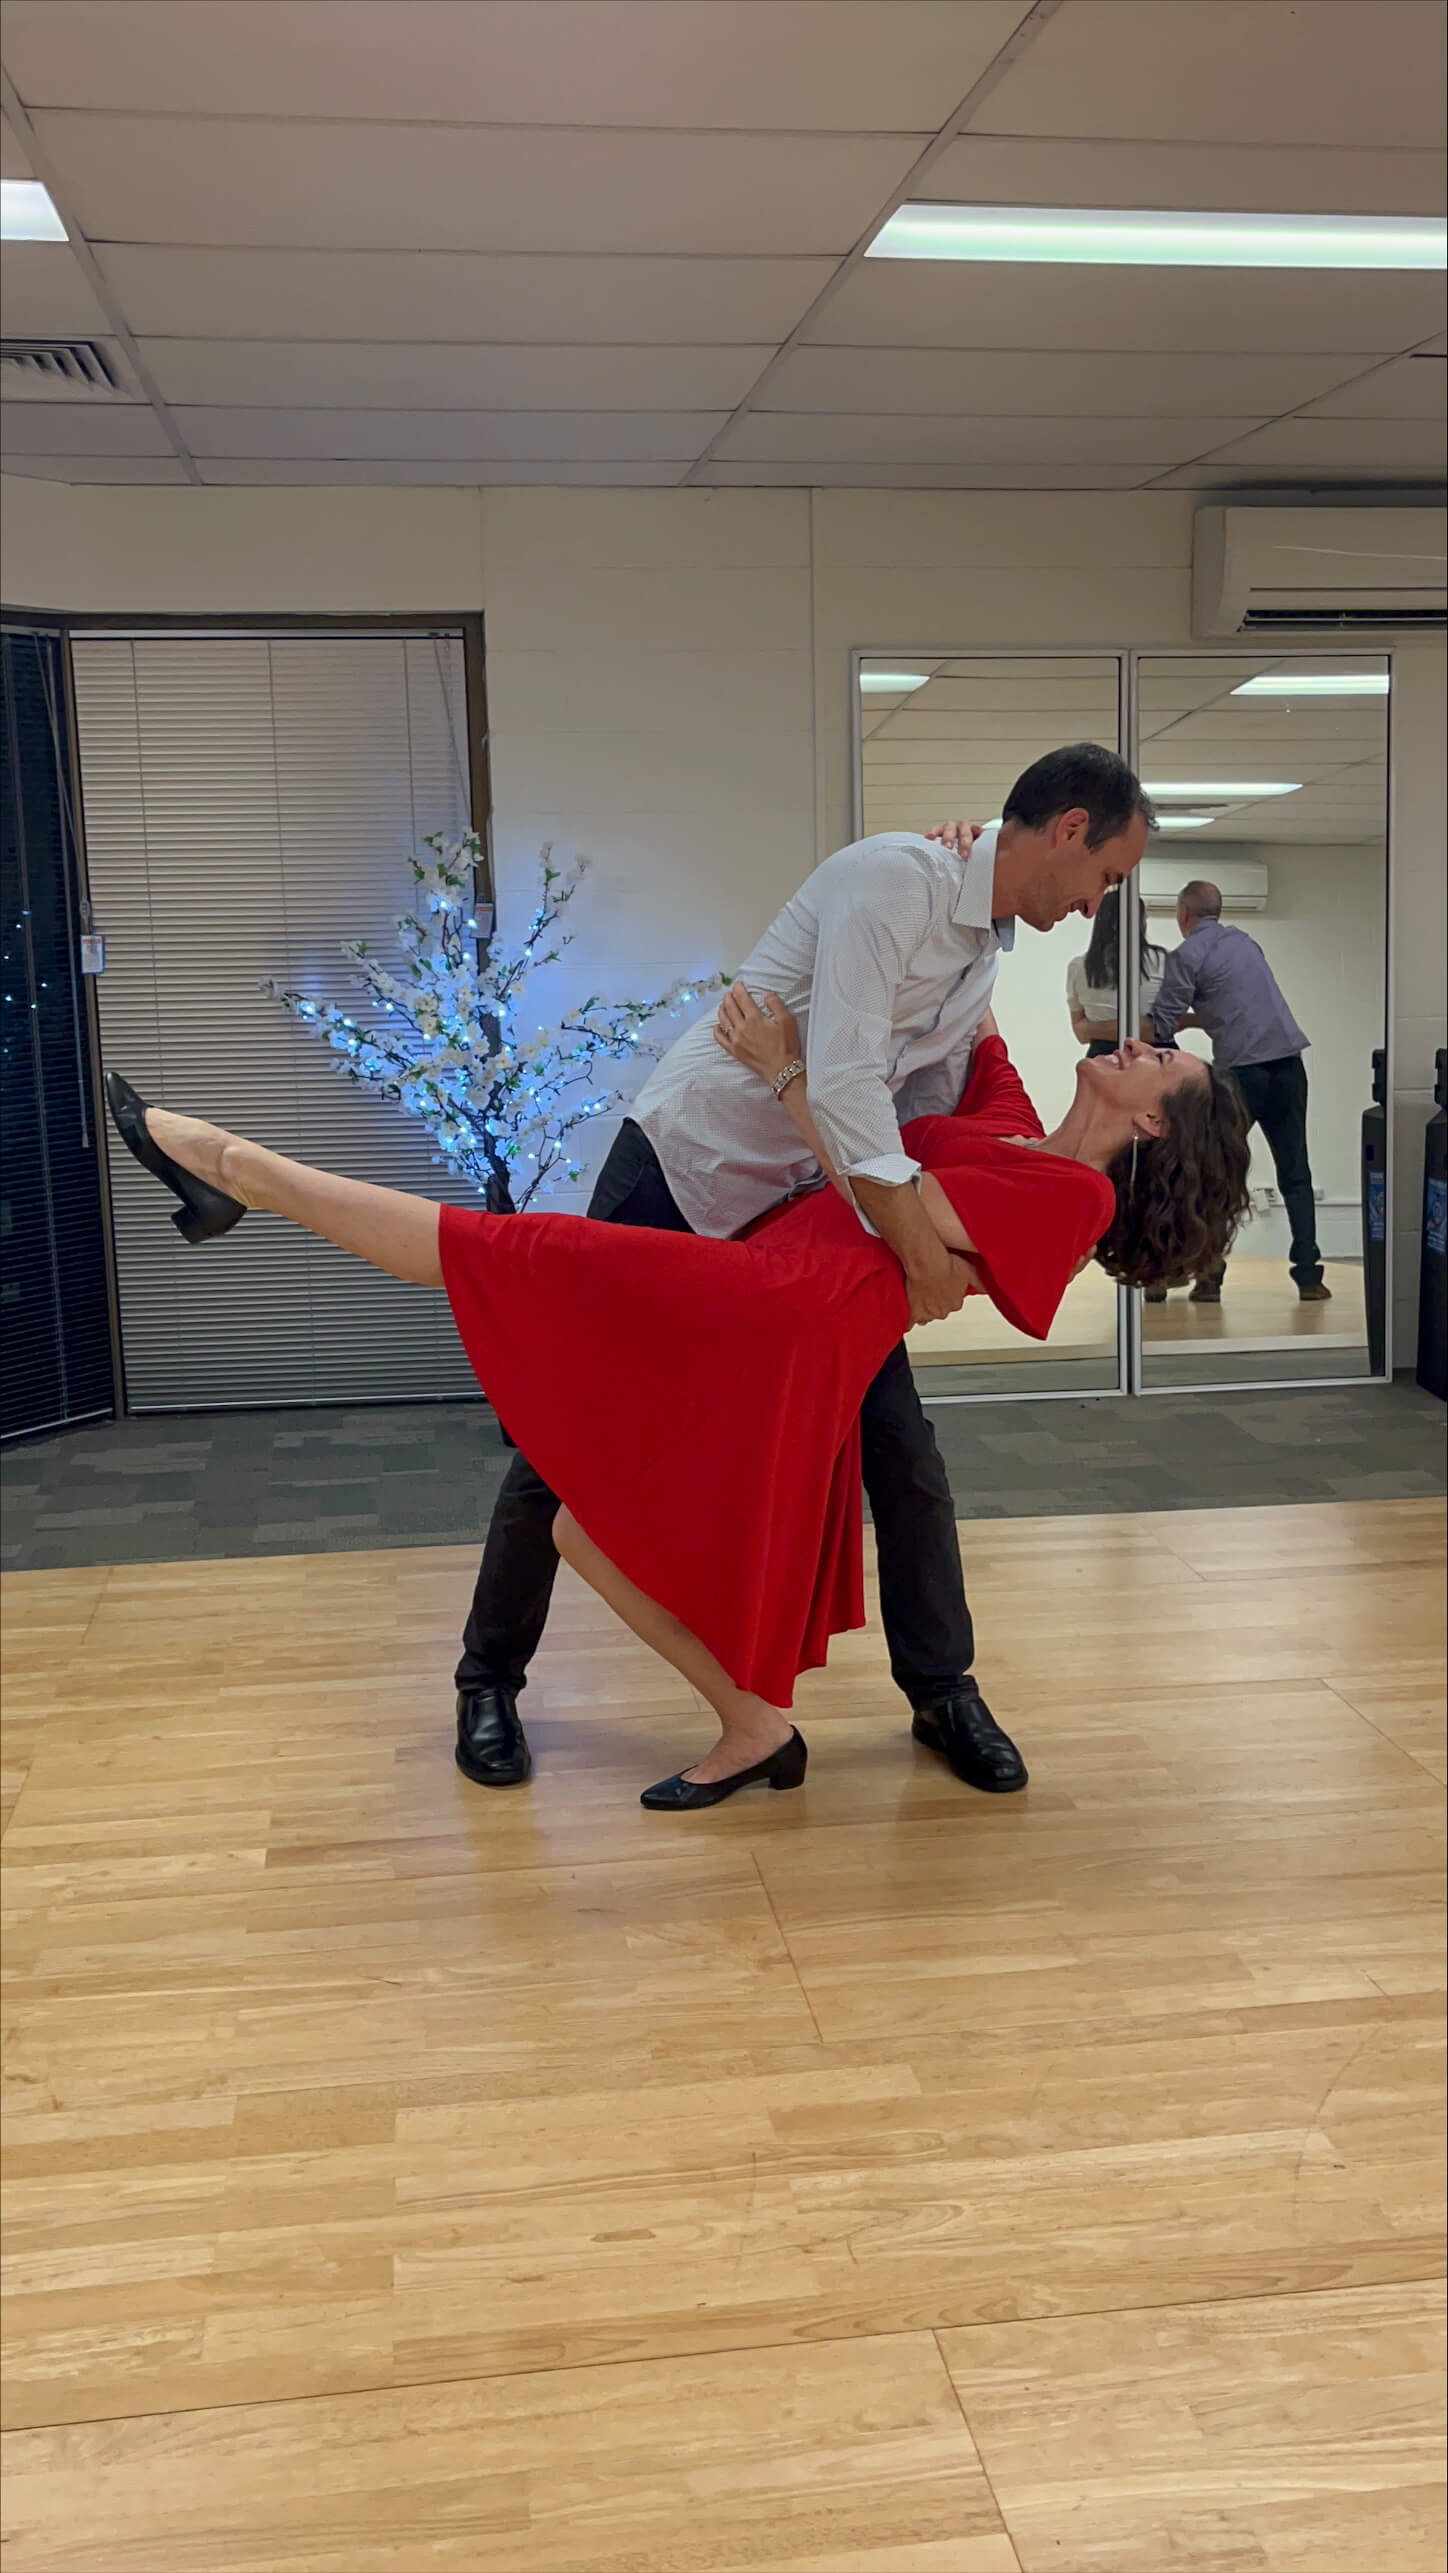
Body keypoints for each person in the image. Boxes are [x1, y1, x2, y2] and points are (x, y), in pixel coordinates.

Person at [105, 1011, 1249, 1808]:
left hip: (778, 1314)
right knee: (574, 1514)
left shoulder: (1073, 1194)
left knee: (516, 1255)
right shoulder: (1013, 1127)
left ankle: (233, 1166)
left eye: (1160, 1061)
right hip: (771, 1287)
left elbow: (878, 1192)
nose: (1138, 1042)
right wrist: (964, 870)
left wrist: (782, 1067)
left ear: (1154, 1123)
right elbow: (975, 1011)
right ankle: (752, 1723)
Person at [451, 743, 1155, 1804]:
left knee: (902, 1450)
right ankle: (487, 1680)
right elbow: (848, 1085)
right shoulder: (892, 881)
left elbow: (920, 1109)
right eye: (1105, 875)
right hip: (688, 1171)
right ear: (1066, 829)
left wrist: (934, 1233)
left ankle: (942, 1690)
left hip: (809, 1214)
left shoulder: (982, 948)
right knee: (569, 1433)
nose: (1098, 904)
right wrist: (921, 1256)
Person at [1152, 879, 1330, 1306]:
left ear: (1183, 914)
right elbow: (1238, 1002)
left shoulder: (1186, 956)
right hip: (1288, 1065)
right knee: (1296, 1173)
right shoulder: (1246, 944)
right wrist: (1204, 1018)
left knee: (1215, 1172)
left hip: (1243, 1074)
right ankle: (1310, 1278)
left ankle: (1210, 1278)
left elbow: (1162, 1023)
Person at [1066, 887, 1170, 1059]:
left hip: (1104, 1057)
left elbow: (1081, 1032)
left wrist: (1096, 1028)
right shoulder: (1163, 960)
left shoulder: (1079, 967)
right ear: (1141, 921)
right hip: (1156, 1056)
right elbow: (1161, 1027)